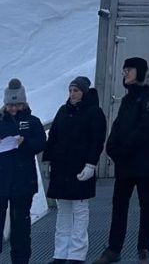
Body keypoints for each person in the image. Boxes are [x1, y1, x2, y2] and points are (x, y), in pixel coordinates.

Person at [94, 57, 149, 264]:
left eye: (129, 70)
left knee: (146, 205)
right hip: (125, 163)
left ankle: (144, 249)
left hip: (145, 161)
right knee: (119, 204)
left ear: (140, 72)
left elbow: (147, 128)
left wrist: (123, 149)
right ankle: (114, 249)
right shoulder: (128, 98)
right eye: (124, 70)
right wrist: (111, 146)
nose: (125, 73)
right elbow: (119, 125)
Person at [0, 78, 47, 264]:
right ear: (5, 104)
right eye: (10, 104)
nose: (14, 108)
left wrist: (25, 143)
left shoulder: (32, 122)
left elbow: (41, 144)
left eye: (18, 104)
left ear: (24, 103)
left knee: (21, 228)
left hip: (23, 184)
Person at [44, 76, 107, 264]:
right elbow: (53, 136)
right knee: (63, 210)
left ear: (84, 92)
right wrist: (48, 160)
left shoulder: (94, 112)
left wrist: (91, 165)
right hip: (61, 168)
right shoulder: (63, 111)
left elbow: (97, 141)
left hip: (80, 168)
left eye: (76, 90)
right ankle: (60, 252)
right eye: (70, 90)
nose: (72, 94)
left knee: (80, 210)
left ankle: (77, 254)